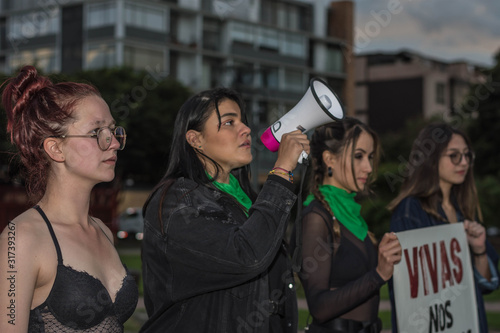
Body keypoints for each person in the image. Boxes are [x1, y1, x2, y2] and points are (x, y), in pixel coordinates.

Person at [139, 87, 309, 333]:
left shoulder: (246, 199)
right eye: (229, 122)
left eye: (242, 121)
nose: (246, 129)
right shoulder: (178, 201)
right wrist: (282, 170)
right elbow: (246, 256)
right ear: (195, 140)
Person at [0, 65, 138, 332]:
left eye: (113, 130)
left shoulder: (101, 231)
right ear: (55, 148)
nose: (114, 143)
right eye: (97, 132)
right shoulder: (21, 239)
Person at [291, 118, 402, 333]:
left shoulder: (350, 213)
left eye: (370, 157)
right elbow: (319, 307)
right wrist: (378, 274)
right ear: (329, 159)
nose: (368, 167)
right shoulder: (316, 217)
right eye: (359, 156)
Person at [387, 122, 499, 333]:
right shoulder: (410, 211)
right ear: (431, 159)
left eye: (467, 155)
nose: (464, 162)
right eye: (454, 155)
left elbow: (485, 286)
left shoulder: (463, 210)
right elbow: (405, 293)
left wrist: (480, 251)